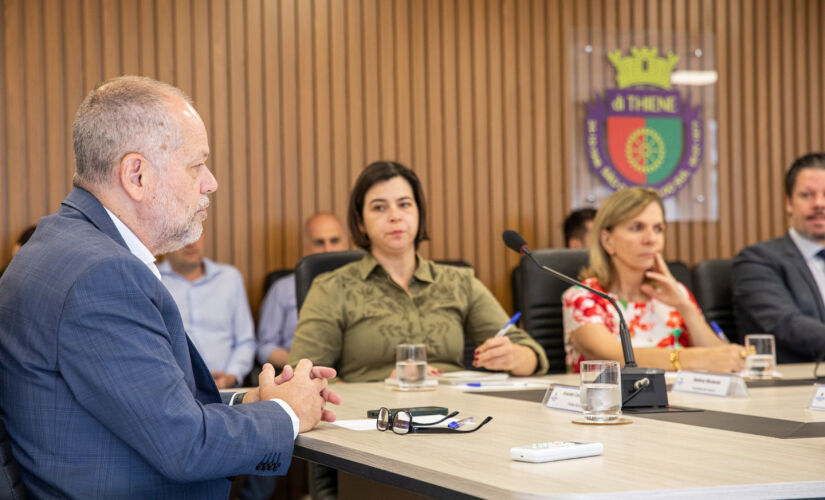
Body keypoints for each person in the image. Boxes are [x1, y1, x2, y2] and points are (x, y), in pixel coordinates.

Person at [0, 76, 340, 499]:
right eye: (197, 165)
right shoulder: (101, 275)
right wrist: (289, 412)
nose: (211, 182)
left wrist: (255, 403)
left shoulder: (60, 246)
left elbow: (149, 410)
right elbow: (185, 446)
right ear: (136, 175)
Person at [289, 161, 549, 381]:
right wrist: (383, 386)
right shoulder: (332, 288)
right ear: (360, 222)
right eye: (379, 207)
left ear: (419, 212)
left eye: (404, 204)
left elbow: (533, 355)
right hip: (372, 421)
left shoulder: (459, 282)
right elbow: (302, 378)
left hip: (457, 416)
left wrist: (514, 356)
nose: (395, 216)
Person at [562, 187, 745, 373]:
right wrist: (693, 359)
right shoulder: (583, 297)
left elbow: (722, 359)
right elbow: (615, 356)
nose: (651, 239)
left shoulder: (676, 291)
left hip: (683, 400)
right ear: (608, 240)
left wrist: (685, 307)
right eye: (637, 228)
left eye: (658, 229)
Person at [733, 153, 825, 363]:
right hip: (794, 385)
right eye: (807, 195)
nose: (819, 204)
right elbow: (786, 324)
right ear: (789, 203)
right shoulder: (756, 261)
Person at [160, 232, 255, 388]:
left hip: (227, 390)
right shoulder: (154, 280)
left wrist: (231, 376)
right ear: (163, 238)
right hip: (178, 390)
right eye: (181, 234)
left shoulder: (229, 278)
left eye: (195, 233)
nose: (190, 242)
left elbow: (245, 341)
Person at [257, 213, 349, 369]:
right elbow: (265, 347)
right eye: (319, 243)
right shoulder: (282, 289)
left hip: (355, 376)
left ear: (346, 244)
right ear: (306, 248)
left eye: (334, 241)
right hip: (301, 374)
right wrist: (300, 365)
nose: (328, 249)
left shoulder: (365, 286)